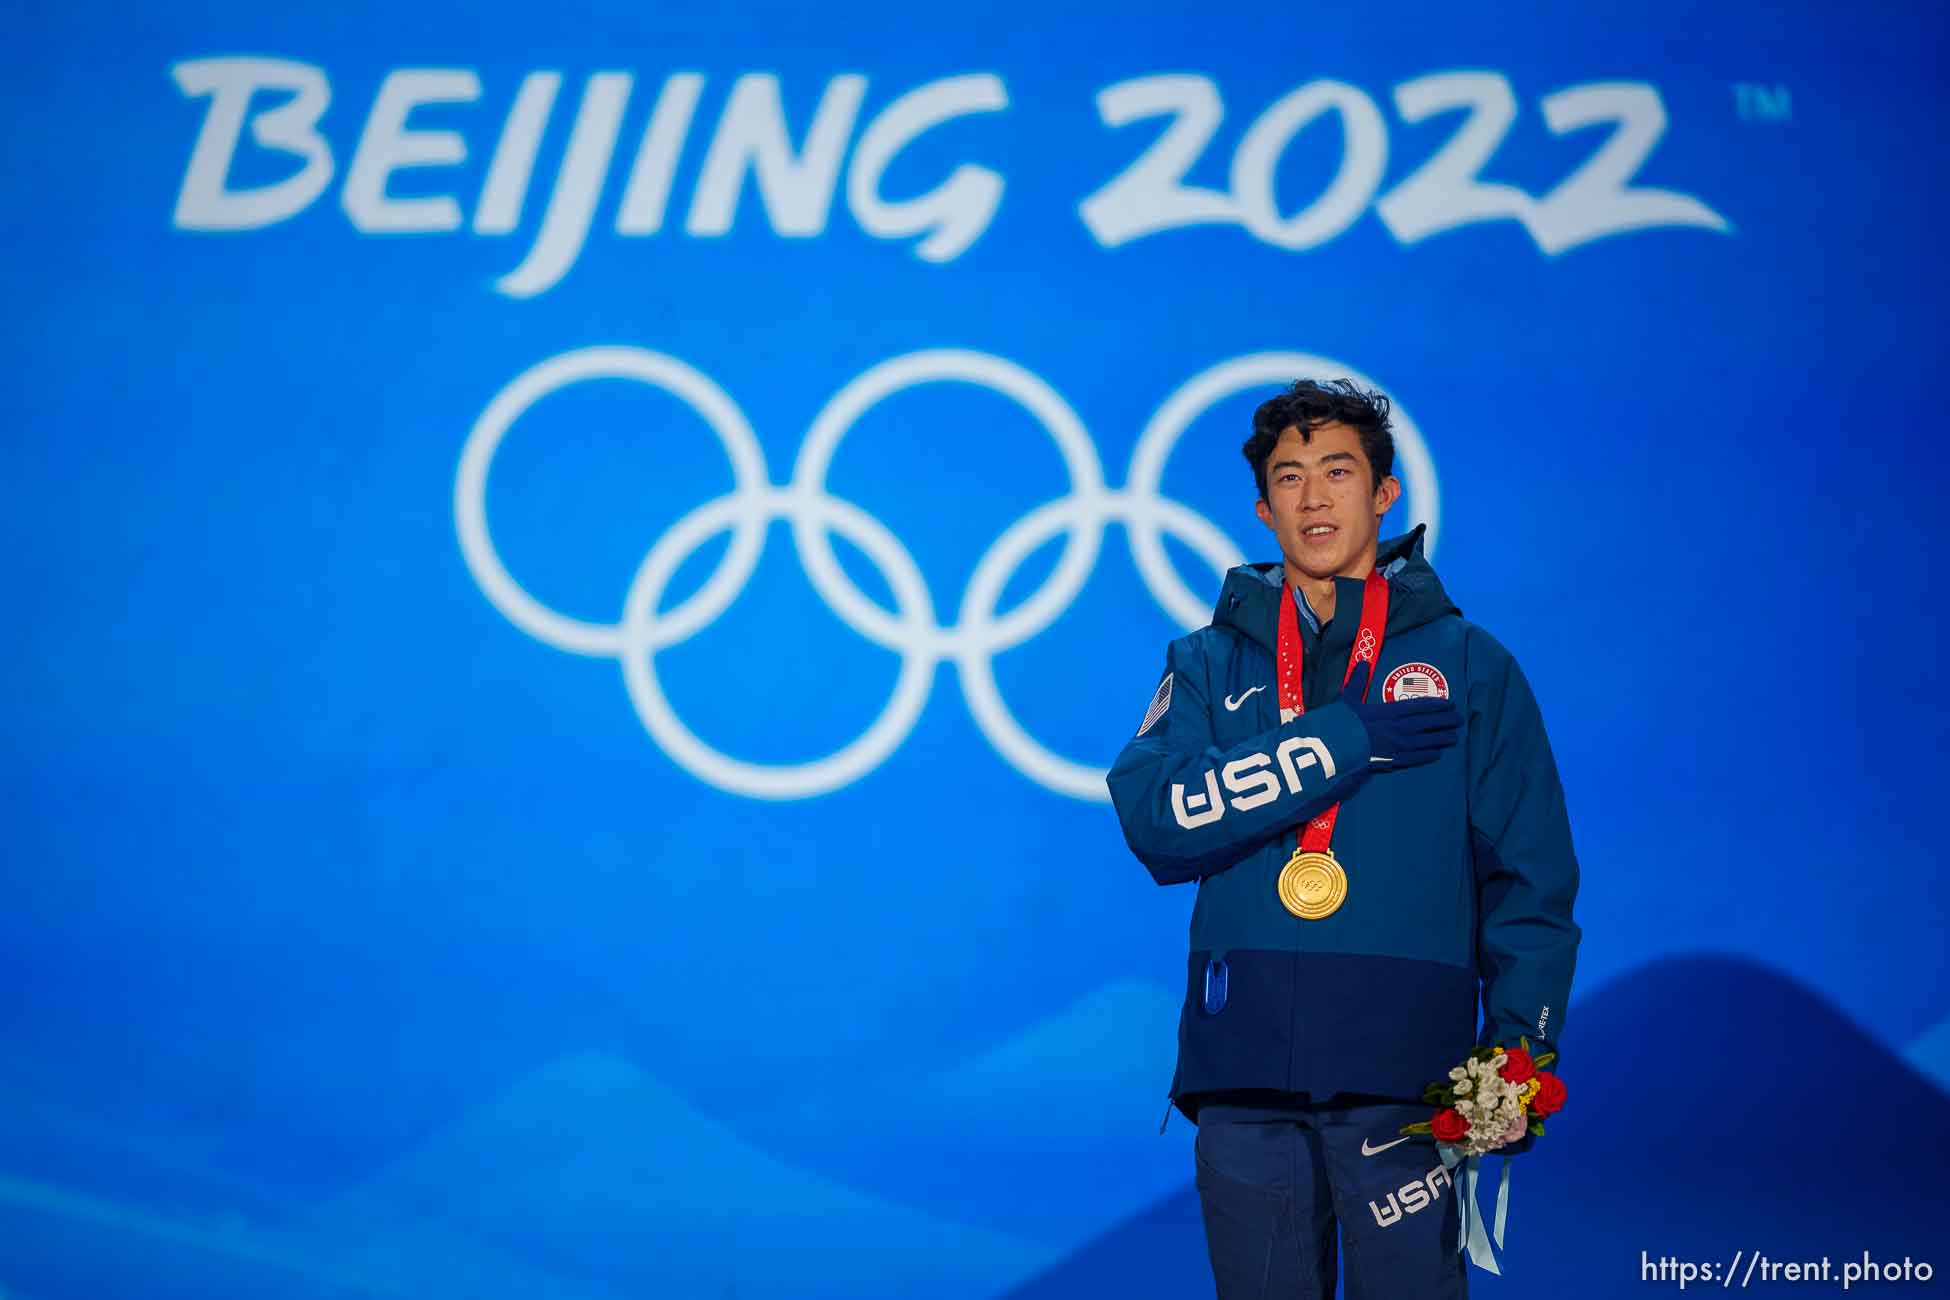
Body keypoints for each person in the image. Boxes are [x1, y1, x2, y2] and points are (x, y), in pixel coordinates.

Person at [1106, 379, 1582, 1299]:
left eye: (1338, 471)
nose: (1314, 497)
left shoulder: (1470, 666)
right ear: (1261, 507)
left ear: (1384, 492)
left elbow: (1530, 884)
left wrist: (1521, 1057)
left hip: (1405, 1082)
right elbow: (1156, 821)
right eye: (1290, 477)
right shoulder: (1205, 663)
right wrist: (1343, 740)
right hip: (1244, 1073)